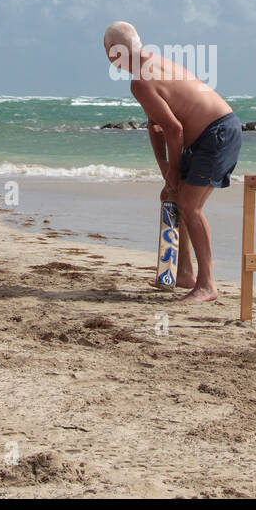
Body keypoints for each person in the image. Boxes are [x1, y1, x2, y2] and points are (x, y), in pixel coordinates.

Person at [104, 22, 241, 303]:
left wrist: (174, 169)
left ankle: (207, 285)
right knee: (171, 196)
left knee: (190, 205)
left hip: (217, 133)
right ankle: (184, 273)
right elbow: (157, 124)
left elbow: (175, 130)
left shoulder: (140, 81)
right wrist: (165, 168)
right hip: (212, 133)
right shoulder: (154, 64)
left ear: (114, 53)